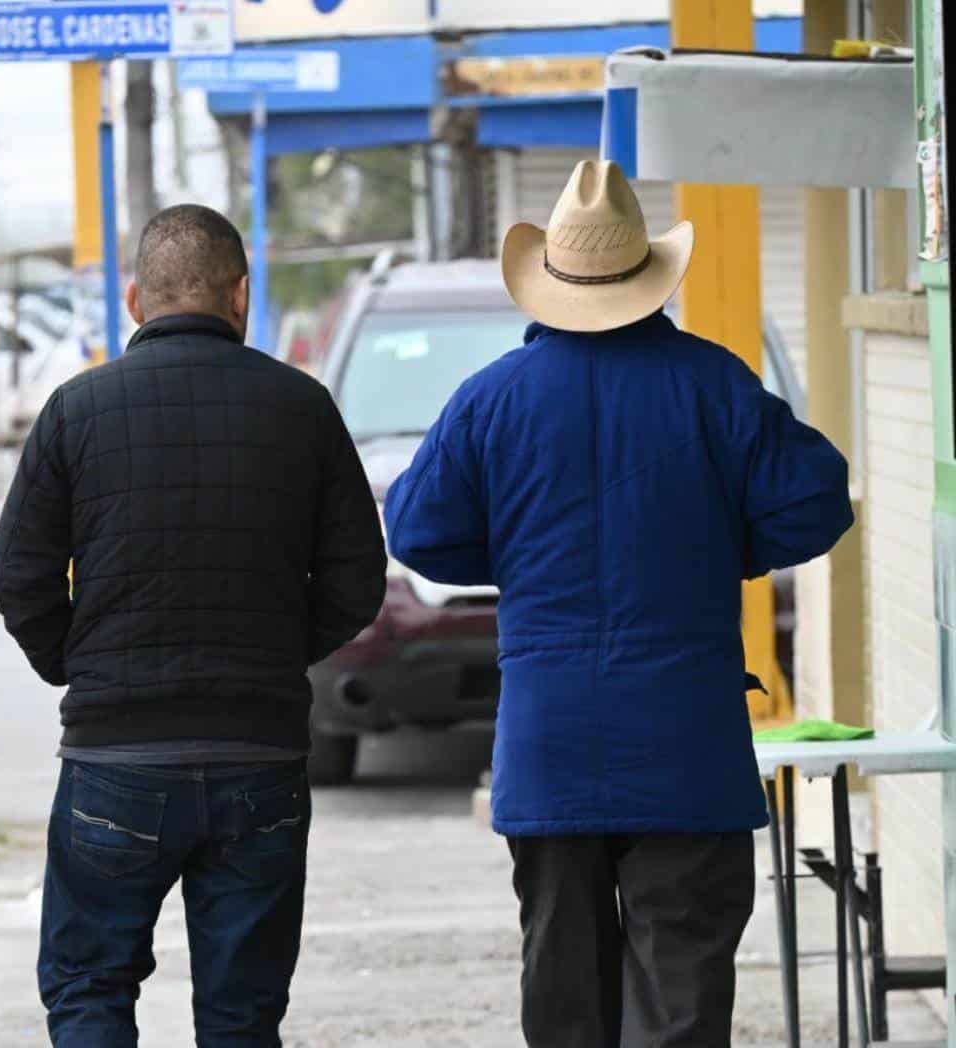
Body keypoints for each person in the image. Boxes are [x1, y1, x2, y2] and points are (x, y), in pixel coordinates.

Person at [384, 160, 854, 1048]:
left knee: (565, 1000)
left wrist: (516, 555)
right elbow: (819, 500)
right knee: (680, 1000)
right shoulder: (716, 385)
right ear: (647, 278)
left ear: (551, 283)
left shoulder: (491, 400)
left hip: (551, 743)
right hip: (687, 745)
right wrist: (730, 550)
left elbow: (415, 529)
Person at [0, 204, 386, 1048]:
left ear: (136, 299)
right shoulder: (304, 408)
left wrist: (77, 665)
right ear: (240, 295)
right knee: (243, 1015)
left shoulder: (76, 410)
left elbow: (18, 573)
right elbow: (356, 581)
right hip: (261, 758)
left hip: (113, 759)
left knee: (91, 989)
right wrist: (276, 655)